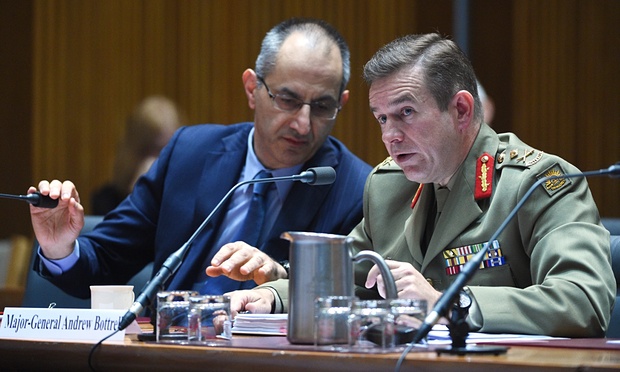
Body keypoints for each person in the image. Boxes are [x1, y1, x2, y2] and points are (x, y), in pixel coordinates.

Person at [228, 33, 614, 337]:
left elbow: (582, 301)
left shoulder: (537, 184)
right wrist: (273, 296)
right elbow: (348, 279)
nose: (390, 136)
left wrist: (449, 302)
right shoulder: (388, 188)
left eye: (406, 113)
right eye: (381, 118)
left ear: (460, 110)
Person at [28, 18, 372, 299]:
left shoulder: (356, 190)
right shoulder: (189, 153)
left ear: (341, 102)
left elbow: (352, 301)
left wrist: (282, 277)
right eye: (287, 99)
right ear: (253, 90)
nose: (302, 123)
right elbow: (105, 261)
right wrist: (60, 248)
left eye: (323, 106)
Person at [91, 95, 183, 215]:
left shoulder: (187, 196)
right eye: (155, 149)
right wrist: (138, 195)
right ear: (136, 150)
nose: (162, 158)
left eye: (169, 149)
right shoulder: (106, 200)